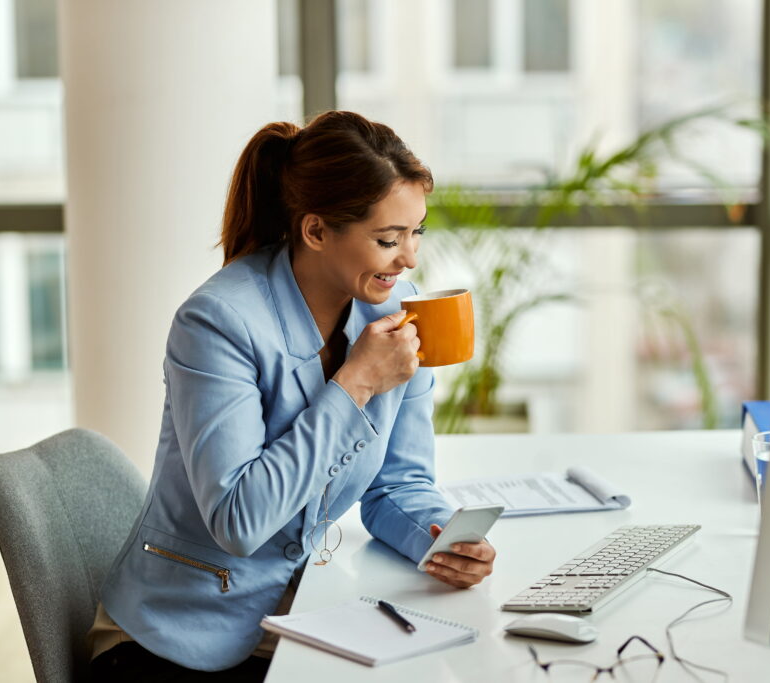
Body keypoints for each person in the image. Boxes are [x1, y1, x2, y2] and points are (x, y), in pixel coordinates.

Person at [88, 111, 496, 681]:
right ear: (316, 231)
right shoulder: (217, 323)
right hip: (174, 641)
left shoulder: (394, 308)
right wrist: (355, 383)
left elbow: (398, 485)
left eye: (416, 232)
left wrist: (438, 539)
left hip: (297, 623)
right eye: (388, 239)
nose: (410, 259)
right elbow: (239, 519)